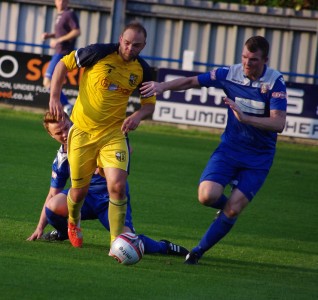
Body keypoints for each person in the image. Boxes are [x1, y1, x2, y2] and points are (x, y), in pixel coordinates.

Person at [140, 36, 287, 264]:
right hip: (230, 149)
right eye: (245, 57)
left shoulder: (275, 82)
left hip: (258, 158)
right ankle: (227, 208)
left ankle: (198, 251)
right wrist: (162, 86)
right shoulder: (229, 74)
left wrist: (245, 118)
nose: (248, 63)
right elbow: (191, 82)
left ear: (265, 60)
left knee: (233, 209)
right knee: (207, 195)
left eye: (254, 60)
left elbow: (279, 124)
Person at [49, 21, 156, 249]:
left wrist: (139, 115)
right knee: (78, 192)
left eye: (136, 45)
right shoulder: (97, 52)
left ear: (144, 45)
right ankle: (73, 220)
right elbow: (62, 65)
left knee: (116, 185)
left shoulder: (143, 70)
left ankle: (116, 243)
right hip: (83, 132)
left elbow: (149, 105)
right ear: (120, 40)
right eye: (126, 43)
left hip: (113, 135)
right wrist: (54, 98)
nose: (130, 48)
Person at [27, 111, 189, 258]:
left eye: (66, 127)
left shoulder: (92, 136)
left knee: (125, 241)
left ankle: (163, 246)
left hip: (109, 200)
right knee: (52, 205)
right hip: (84, 199)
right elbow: (52, 193)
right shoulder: (62, 158)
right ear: (51, 135)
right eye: (58, 132)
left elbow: (128, 149)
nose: (64, 134)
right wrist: (40, 227)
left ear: (72, 123)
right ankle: (63, 233)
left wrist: (105, 162)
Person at [42, 0, 80, 107]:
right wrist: (49, 36)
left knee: (48, 81)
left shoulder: (69, 14)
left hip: (63, 53)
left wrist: (58, 40)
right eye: (59, 0)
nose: (61, 3)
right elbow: (61, 33)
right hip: (58, 52)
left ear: (67, 2)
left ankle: (66, 106)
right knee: (53, 82)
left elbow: (77, 31)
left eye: (63, 1)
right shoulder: (60, 15)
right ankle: (64, 106)